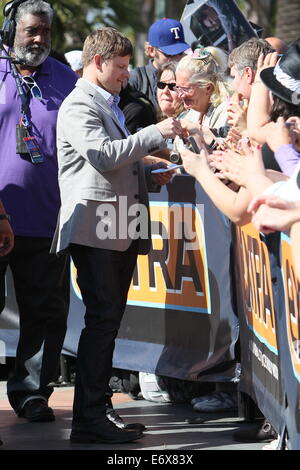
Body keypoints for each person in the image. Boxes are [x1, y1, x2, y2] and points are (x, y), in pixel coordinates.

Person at [51, 26, 184, 444]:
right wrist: (156, 133)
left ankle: (97, 411)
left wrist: (152, 170)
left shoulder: (102, 103)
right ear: (98, 63)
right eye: (122, 67)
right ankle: (89, 418)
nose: (128, 74)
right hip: (96, 230)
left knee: (105, 323)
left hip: (115, 228)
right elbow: (103, 157)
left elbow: (115, 163)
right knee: (102, 322)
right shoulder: (77, 105)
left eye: (128, 66)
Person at [0, 0, 77, 422]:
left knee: (45, 314)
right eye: (31, 30)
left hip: (48, 219)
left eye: (45, 32)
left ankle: (32, 393)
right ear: (12, 27)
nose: (39, 40)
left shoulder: (66, 79)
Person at [129, 18, 190, 109]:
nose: (176, 59)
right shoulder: (136, 79)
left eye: (180, 52)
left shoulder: (189, 77)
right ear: (151, 50)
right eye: (169, 54)